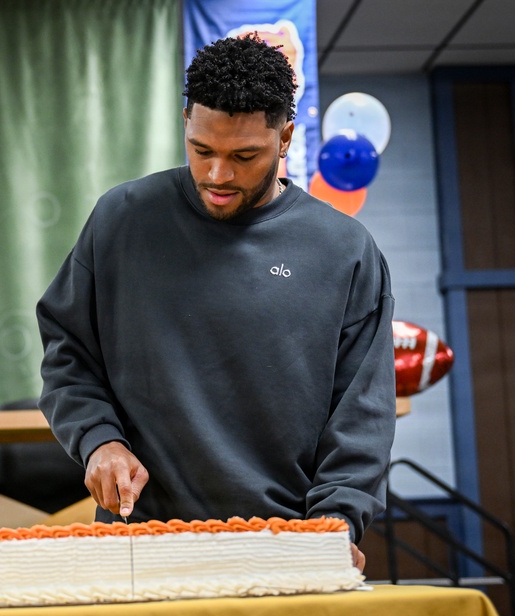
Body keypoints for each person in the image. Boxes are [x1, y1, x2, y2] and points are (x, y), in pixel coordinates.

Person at [36, 35, 395, 571]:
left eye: (244, 156)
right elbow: (68, 354)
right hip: (139, 543)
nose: (217, 176)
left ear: (286, 138)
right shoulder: (122, 219)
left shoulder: (344, 250)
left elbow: (361, 415)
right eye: (202, 150)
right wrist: (99, 441)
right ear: (186, 123)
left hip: (287, 544)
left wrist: (335, 523)